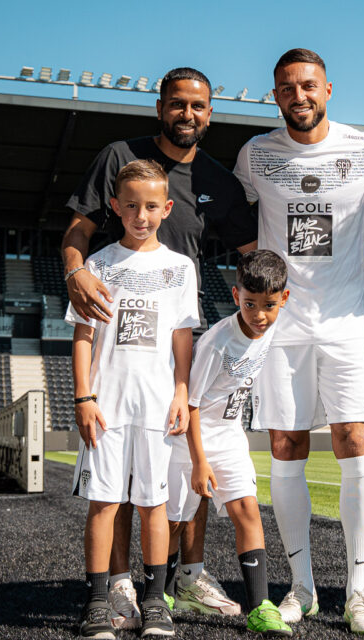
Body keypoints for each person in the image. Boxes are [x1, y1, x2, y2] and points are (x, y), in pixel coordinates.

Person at [232, 47, 364, 634]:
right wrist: (258, 270)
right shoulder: (255, 154)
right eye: (287, 88)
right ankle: (302, 588)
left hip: (343, 321)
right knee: (285, 447)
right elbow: (233, 217)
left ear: (328, 90)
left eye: (308, 86)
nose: (299, 96)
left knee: (354, 440)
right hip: (280, 327)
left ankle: (360, 592)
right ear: (275, 95)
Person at [62, 66, 253, 626]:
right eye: (178, 104)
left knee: (176, 480)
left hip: (173, 357)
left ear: (210, 113)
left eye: (198, 106)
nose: (187, 114)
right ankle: (116, 585)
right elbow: (77, 227)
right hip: (117, 350)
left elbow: (253, 252)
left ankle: (180, 582)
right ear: (161, 107)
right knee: (115, 491)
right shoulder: (120, 156)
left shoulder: (216, 178)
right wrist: (75, 271)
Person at [68, 160, 199, 639]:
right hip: (107, 406)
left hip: (157, 407)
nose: (140, 215)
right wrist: (84, 395)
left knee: (153, 506)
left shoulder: (179, 267)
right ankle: (98, 601)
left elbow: (183, 338)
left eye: (150, 206)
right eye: (131, 206)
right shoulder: (96, 265)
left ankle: (154, 601)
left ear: (166, 208)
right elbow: (83, 336)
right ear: (115, 207)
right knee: (103, 504)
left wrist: (182, 392)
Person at [173, 249, 292, 636]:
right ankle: (159, 592)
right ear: (236, 293)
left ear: (283, 299)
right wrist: (199, 462)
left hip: (230, 433)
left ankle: (259, 607)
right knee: (177, 519)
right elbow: (190, 404)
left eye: (269, 305)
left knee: (247, 510)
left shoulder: (272, 326)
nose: (259, 315)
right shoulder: (217, 343)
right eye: (250, 304)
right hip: (192, 437)